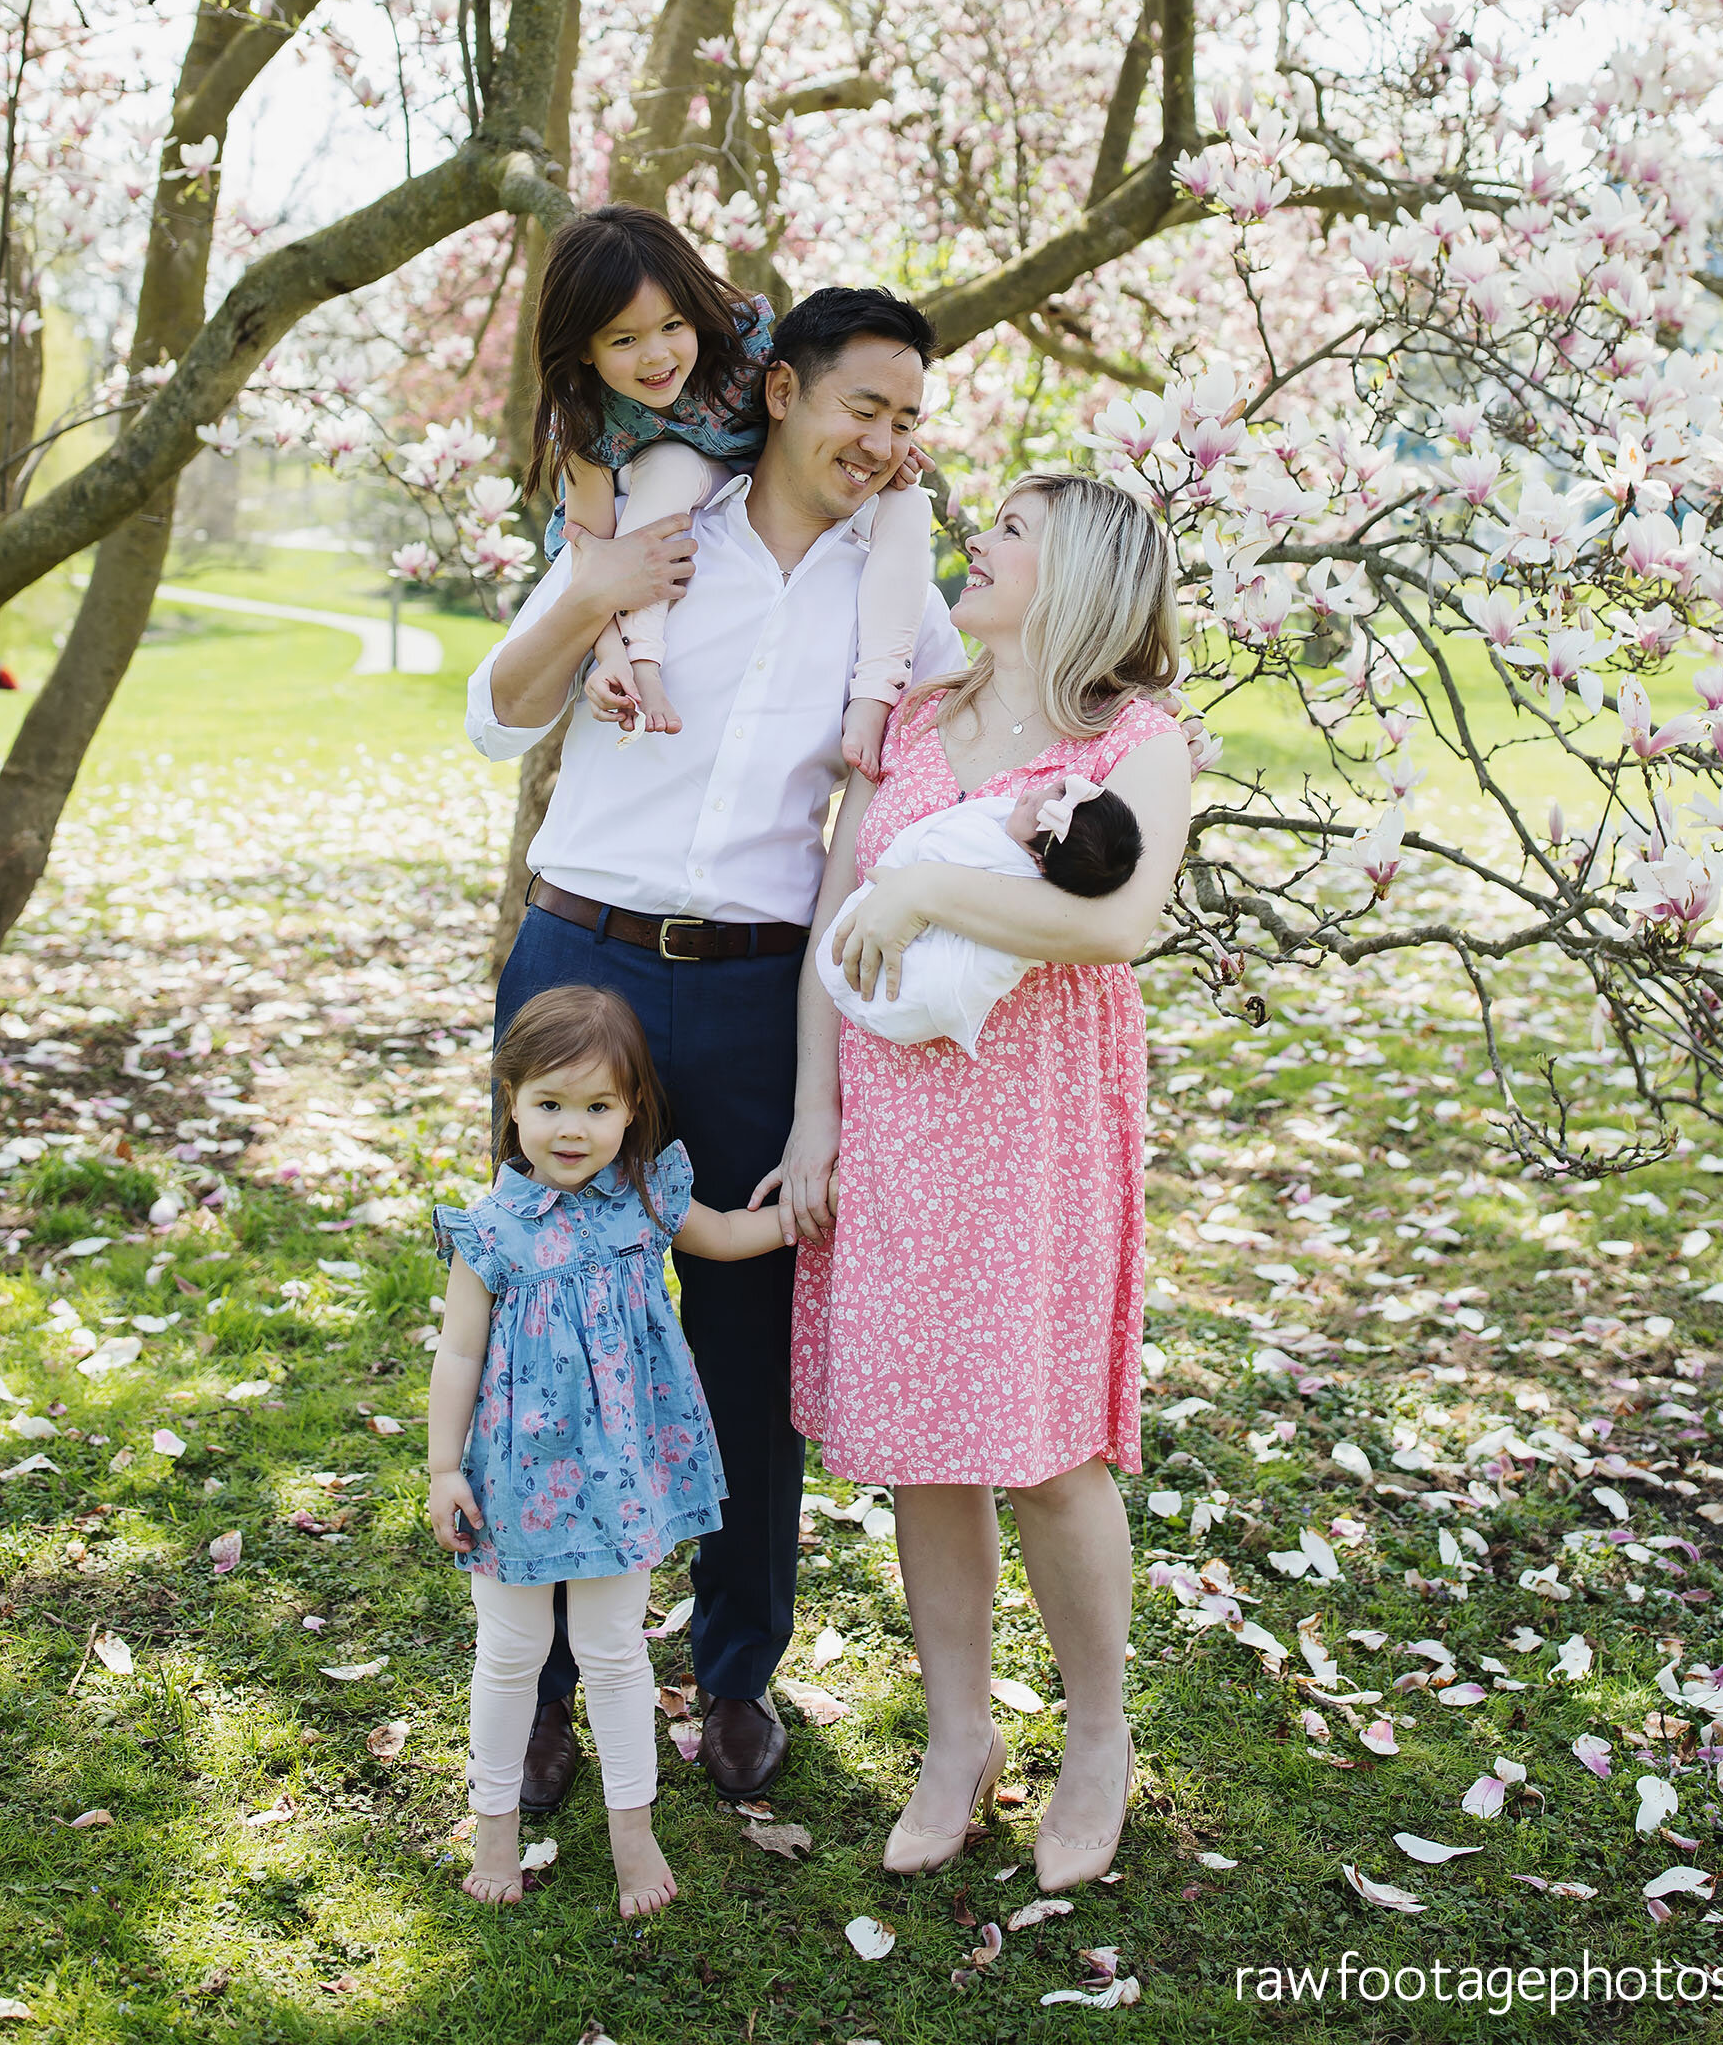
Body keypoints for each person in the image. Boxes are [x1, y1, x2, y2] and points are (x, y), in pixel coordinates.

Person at [464, 280, 964, 1808]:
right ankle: (540, 1685)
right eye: (860, 406)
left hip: (756, 986)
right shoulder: (667, 516)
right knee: (552, 1326)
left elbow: (967, 737)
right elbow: (498, 714)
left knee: (748, 1341)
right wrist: (586, 589)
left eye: (907, 417)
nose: (882, 442)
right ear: (784, 391)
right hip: (584, 960)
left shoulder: (898, 584)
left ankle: (736, 1672)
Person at [781, 475, 1193, 1888]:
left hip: (1035, 1125)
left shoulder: (1138, 742)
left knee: (1047, 1451)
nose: (978, 543)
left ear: (1079, 572)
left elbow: (1121, 921)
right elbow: (833, 930)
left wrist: (929, 891)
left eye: (1012, 531)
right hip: (894, 1124)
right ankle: (959, 1738)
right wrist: (815, 1118)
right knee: (923, 1442)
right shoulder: (909, 724)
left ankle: (1095, 1738)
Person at [426, 985, 788, 1914]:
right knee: (509, 1653)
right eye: (549, 1104)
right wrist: (441, 1469)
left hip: (624, 1476)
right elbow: (460, 1352)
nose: (573, 1129)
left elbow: (729, 1236)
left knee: (615, 1651)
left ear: (634, 1111)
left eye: (598, 1106)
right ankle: (494, 1826)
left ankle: (634, 1831)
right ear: (511, 1104)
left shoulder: (646, 1201)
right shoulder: (490, 1230)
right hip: (518, 1483)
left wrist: (802, 1214)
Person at [525, 202, 934, 777]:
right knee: (667, 462)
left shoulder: (744, 346)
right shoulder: (586, 424)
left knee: (909, 505)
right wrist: (610, 657)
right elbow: (592, 561)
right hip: (683, 485)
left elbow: (818, 401)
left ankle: (873, 695)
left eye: (672, 326)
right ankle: (647, 660)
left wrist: (881, 441)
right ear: (583, 350)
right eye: (623, 340)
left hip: (765, 477)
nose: (657, 356)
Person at [818, 772, 1143, 1057]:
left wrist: (916, 885)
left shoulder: (998, 856)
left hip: (937, 1000)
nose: (1026, 795)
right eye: (1037, 794)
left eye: (1030, 811)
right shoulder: (1018, 830)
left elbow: (940, 847)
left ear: (1040, 863)